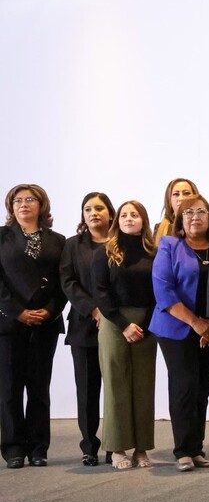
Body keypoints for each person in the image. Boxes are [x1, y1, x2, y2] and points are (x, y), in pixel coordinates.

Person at [149, 194, 209, 472]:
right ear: (180, 219)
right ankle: (182, 451)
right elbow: (164, 292)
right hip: (176, 329)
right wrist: (196, 323)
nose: (195, 217)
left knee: (202, 389)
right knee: (184, 387)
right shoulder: (169, 245)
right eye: (189, 213)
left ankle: (196, 448)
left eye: (201, 211)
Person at [0, 184, 66, 469]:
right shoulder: (1, 238)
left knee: (39, 387)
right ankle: (13, 447)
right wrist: (18, 312)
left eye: (30, 199)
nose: (24, 204)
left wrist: (49, 310)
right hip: (8, 321)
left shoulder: (58, 241)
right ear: (11, 207)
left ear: (42, 205)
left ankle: (39, 447)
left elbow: (65, 282)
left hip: (45, 321)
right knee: (10, 387)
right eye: (17, 200)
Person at [93, 200, 158, 470]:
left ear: (143, 220)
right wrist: (124, 324)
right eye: (124, 215)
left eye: (135, 215)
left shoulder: (153, 253)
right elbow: (100, 291)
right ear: (116, 221)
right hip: (114, 323)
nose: (129, 218)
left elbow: (159, 291)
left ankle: (141, 448)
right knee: (116, 384)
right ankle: (117, 448)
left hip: (146, 324)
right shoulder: (105, 252)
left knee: (144, 386)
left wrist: (143, 322)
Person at [60, 192, 114, 466]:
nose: (94, 213)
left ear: (110, 212)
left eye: (99, 208)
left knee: (115, 389)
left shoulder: (121, 243)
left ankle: (115, 444)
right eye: (88, 209)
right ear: (83, 215)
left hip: (117, 326)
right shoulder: (72, 245)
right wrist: (93, 310)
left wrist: (110, 313)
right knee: (87, 389)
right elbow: (68, 282)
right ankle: (89, 446)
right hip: (83, 326)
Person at [154, 178, 200, 244]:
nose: (181, 198)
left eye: (186, 193)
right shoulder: (159, 229)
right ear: (169, 200)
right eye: (176, 194)